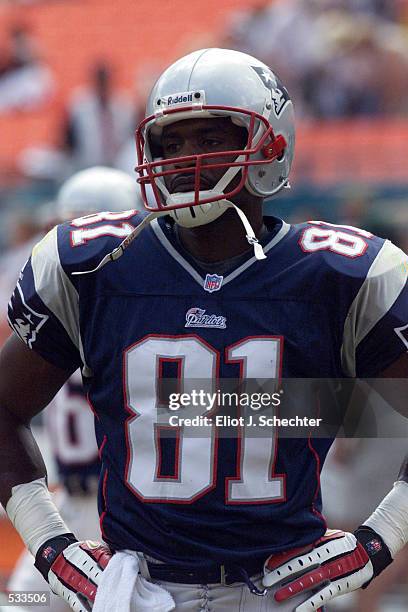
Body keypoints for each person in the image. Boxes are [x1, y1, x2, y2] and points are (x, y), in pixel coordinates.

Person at [0, 48, 407, 612]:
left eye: (212, 138)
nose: (187, 158)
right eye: (173, 142)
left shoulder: (338, 272)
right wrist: (50, 544)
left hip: (286, 587)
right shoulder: (96, 263)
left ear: (270, 145)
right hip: (135, 588)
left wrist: (379, 539)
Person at [4, 167, 143, 612]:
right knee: (21, 601)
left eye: (72, 227)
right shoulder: (55, 313)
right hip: (70, 505)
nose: (58, 243)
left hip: (122, 514)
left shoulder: (128, 318)